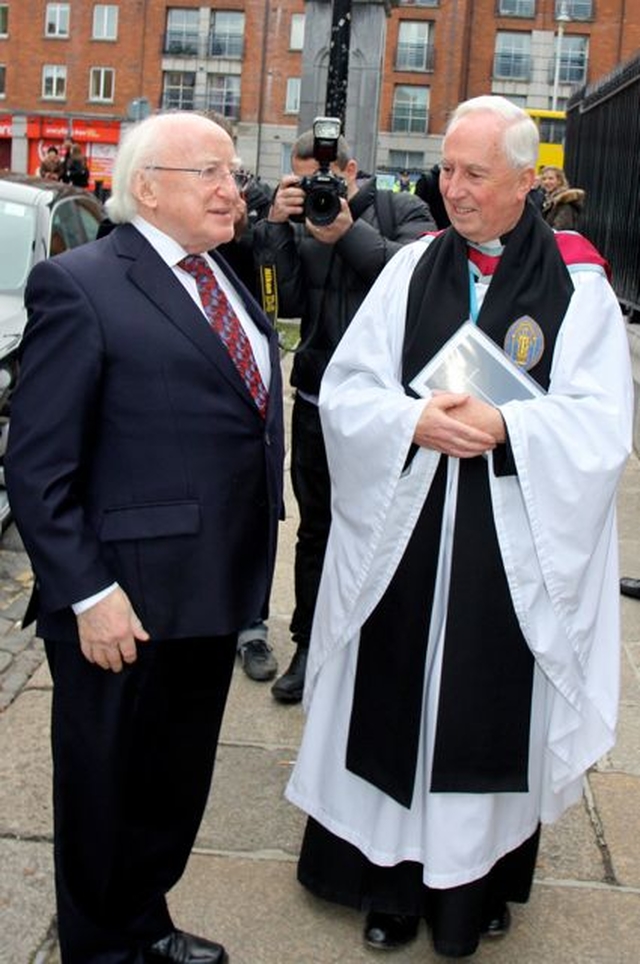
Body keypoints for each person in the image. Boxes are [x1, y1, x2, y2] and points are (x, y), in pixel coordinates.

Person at [285, 96, 633, 958]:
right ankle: (389, 888)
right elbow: (349, 391)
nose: (454, 188)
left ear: (526, 180)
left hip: (505, 550)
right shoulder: (411, 271)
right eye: (447, 169)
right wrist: (410, 422)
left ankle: (470, 890)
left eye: (475, 173)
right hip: (405, 539)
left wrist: (511, 426)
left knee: (484, 711)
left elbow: (602, 428)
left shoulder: (579, 288)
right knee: (393, 697)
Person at [5, 110, 284, 964]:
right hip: (119, 600)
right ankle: (97, 948)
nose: (230, 189)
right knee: (103, 789)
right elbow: (37, 467)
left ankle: (143, 922)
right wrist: (87, 594)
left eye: (232, 172)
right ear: (148, 186)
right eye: (210, 171)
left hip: (208, 588)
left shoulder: (224, 273)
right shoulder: (82, 283)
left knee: (171, 783)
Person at [253, 128, 436, 703]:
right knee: (316, 533)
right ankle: (310, 644)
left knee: (387, 530)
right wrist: (275, 231)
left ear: (351, 169)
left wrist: (346, 233)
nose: (318, 191)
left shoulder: (402, 209)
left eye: (325, 180)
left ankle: (379, 650)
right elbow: (280, 304)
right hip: (316, 406)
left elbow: (419, 284)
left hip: (388, 412)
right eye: (305, 181)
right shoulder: (297, 223)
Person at [540, 164, 585, 230]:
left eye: (551, 178)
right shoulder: (547, 200)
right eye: (544, 179)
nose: (547, 182)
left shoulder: (565, 202)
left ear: (559, 181)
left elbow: (560, 228)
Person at [414, 163, 451, 229]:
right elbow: (418, 208)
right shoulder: (426, 180)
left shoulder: (452, 180)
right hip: (429, 228)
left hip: (446, 228)